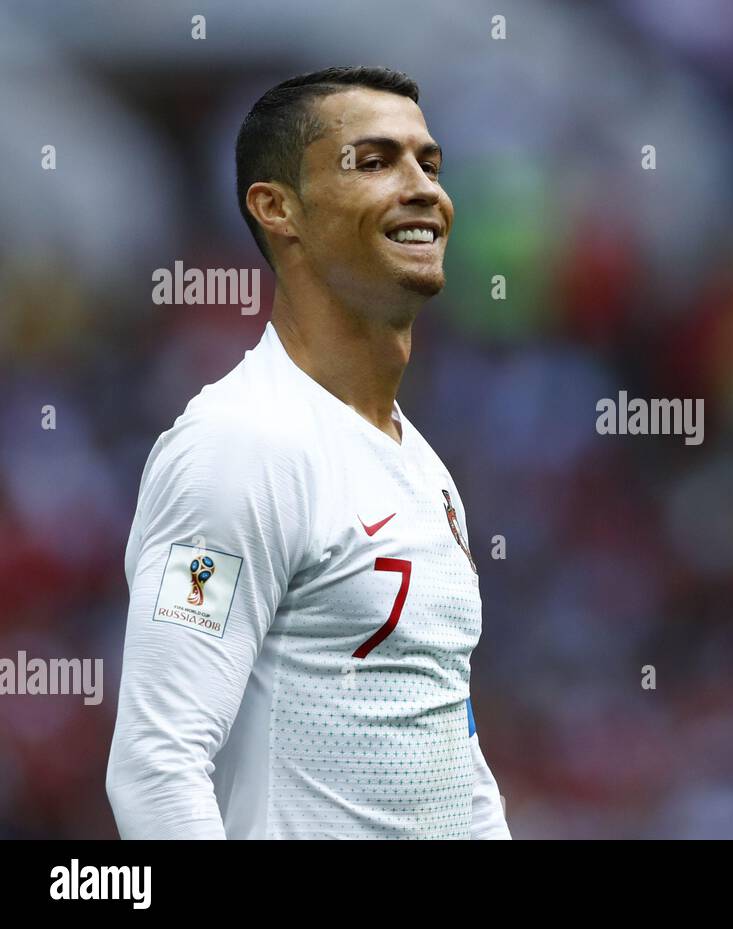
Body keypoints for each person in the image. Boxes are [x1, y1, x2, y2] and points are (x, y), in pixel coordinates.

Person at [106, 67, 510, 839]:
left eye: (430, 162)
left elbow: (451, 747)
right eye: (375, 160)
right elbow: (157, 763)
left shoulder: (423, 468)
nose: (423, 186)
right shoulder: (240, 448)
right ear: (276, 207)